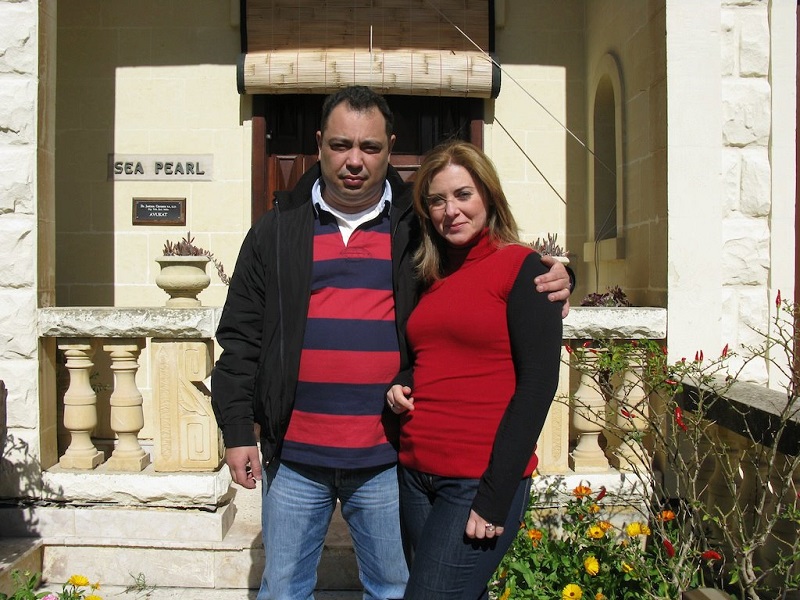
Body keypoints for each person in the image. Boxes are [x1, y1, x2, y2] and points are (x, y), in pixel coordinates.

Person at [211, 86, 571, 600]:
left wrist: (561, 276)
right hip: (294, 458)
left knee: (394, 590)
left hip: (386, 458)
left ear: (390, 148)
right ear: (319, 144)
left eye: (370, 146)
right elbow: (241, 336)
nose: (354, 160)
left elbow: (486, 268)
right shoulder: (277, 230)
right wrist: (236, 429)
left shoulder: (416, 229)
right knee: (283, 590)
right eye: (341, 145)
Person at [386, 140, 563, 600]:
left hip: (475, 480)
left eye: (463, 194)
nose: (451, 211)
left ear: (488, 195)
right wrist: (404, 382)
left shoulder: (524, 268)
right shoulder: (431, 275)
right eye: (437, 200)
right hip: (416, 474)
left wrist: (495, 495)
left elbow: (538, 385)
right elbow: (433, 355)